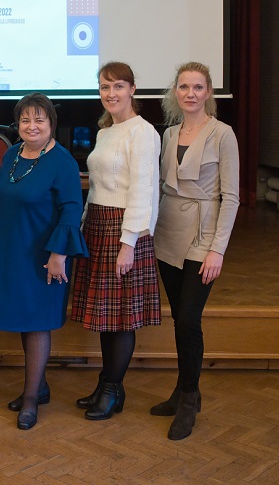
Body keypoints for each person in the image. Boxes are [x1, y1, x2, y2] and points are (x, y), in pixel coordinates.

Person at [0, 93, 89, 430]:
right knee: (23, 318)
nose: (32, 126)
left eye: (39, 120)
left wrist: (59, 254)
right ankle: (39, 385)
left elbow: (72, 209)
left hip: (44, 254)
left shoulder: (62, 161)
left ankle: (31, 399)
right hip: (11, 251)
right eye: (25, 120)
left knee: (37, 322)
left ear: (51, 124)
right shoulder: (13, 153)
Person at [152, 62, 239, 440]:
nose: (190, 93)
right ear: (175, 92)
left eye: (198, 87)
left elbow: (231, 197)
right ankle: (183, 389)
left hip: (203, 235)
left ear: (209, 93)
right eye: (184, 87)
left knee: (189, 319)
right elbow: (159, 185)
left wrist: (218, 250)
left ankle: (189, 400)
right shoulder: (169, 133)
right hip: (168, 232)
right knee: (179, 318)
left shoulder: (223, 134)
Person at [71, 61, 161, 421]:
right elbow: (97, 187)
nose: (111, 93)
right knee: (107, 315)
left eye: (118, 86)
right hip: (98, 225)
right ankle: (108, 384)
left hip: (124, 229)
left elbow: (143, 191)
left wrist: (129, 243)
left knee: (121, 317)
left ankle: (112, 389)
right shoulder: (106, 131)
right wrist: (83, 223)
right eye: (104, 87)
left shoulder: (143, 132)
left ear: (132, 90)